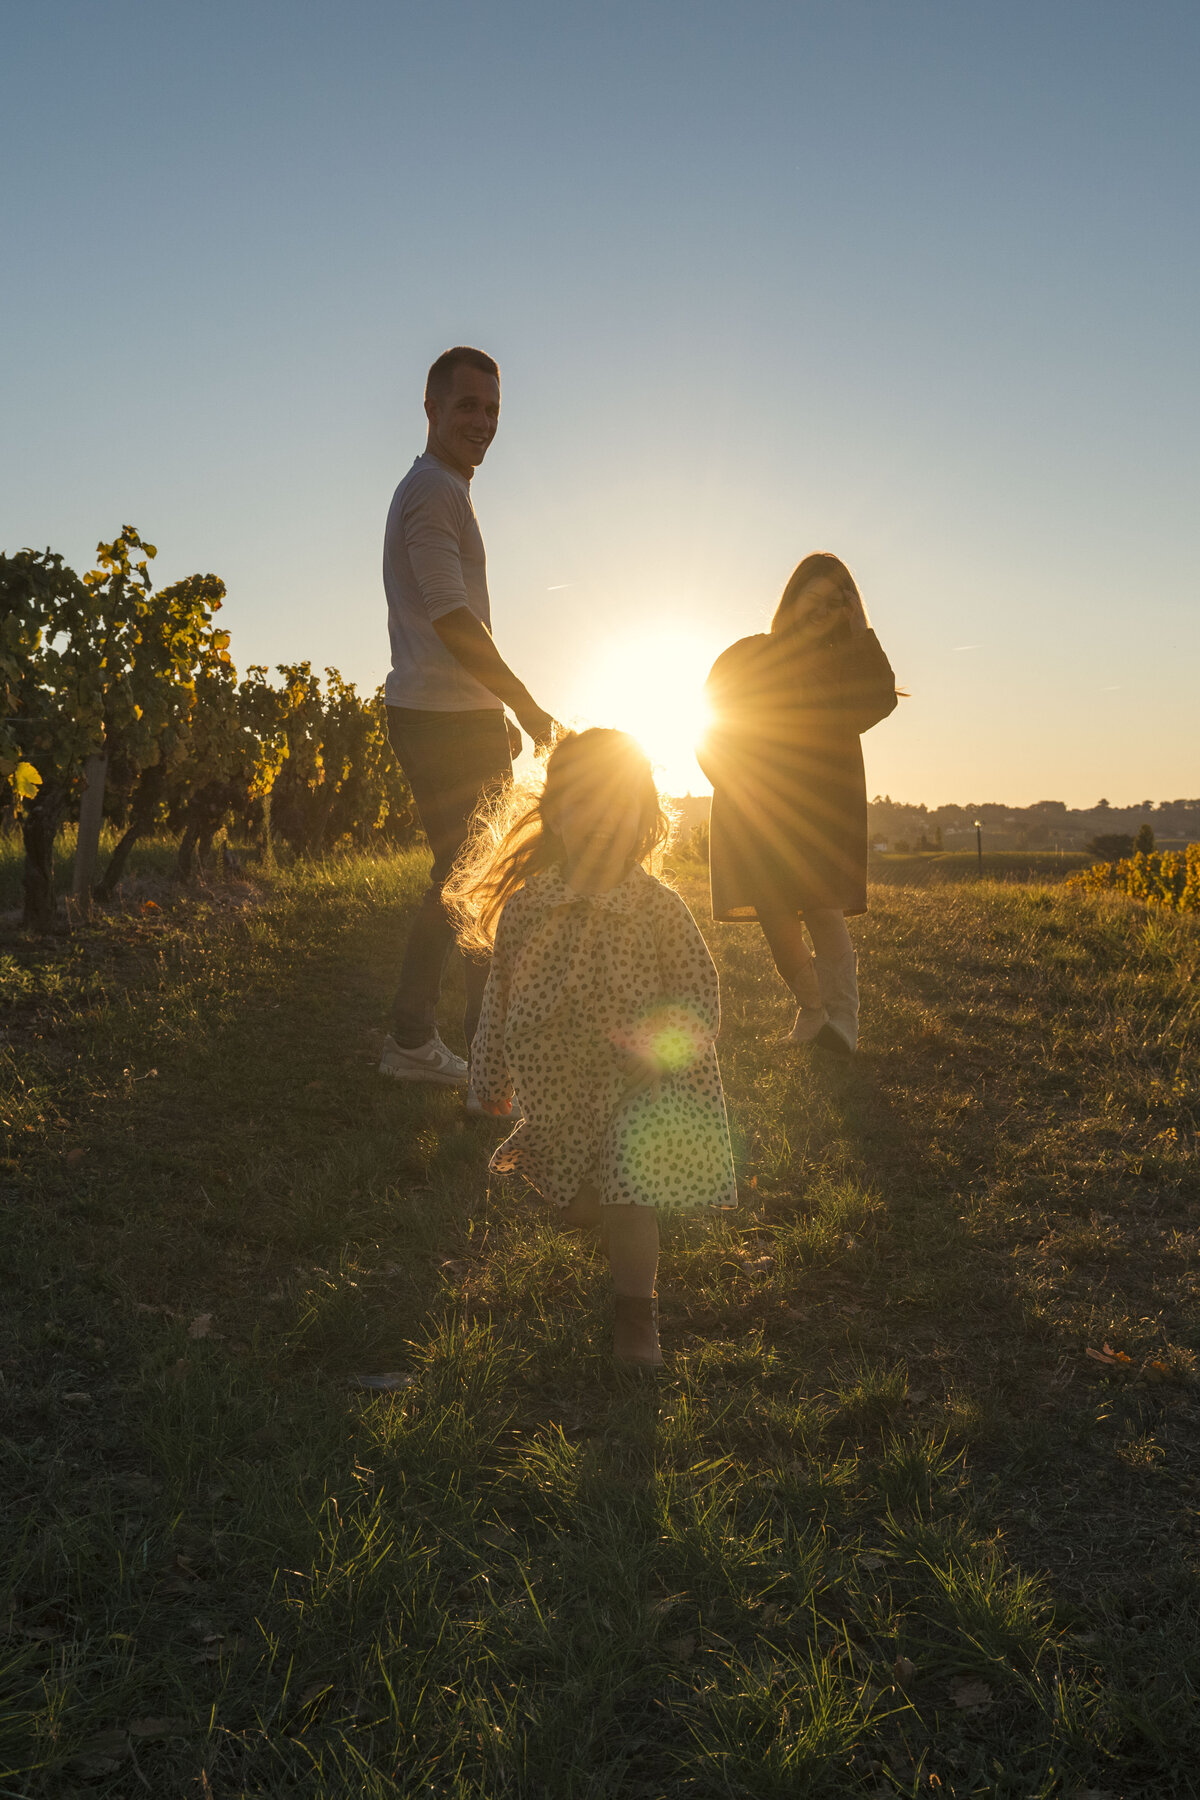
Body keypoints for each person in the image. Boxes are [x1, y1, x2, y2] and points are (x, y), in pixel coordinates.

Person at [445, 730, 737, 1367]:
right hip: (561, 1079)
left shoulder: (657, 908)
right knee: (582, 1191)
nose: (604, 822)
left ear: (644, 819)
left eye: (620, 805)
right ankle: (588, 1205)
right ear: (556, 815)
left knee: (630, 1193)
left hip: (641, 1081)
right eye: (586, 805)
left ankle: (637, 1317)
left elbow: (697, 989)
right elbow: (499, 994)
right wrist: (489, 1078)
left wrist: (662, 1050)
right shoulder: (530, 908)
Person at [379, 345, 558, 1093]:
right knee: (479, 882)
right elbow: (452, 618)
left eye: (492, 409)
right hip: (443, 716)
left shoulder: (443, 487)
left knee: (468, 878)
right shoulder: (433, 491)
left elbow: (449, 617)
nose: (482, 421)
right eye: (467, 406)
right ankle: (449, 1046)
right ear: (430, 409)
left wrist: (496, 707)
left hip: (452, 711)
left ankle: (455, 1043)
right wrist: (521, 699)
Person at [697, 553, 899, 1054]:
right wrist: (730, 785)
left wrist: (859, 631)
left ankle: (843, 1020)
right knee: (775, 914)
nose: (822, 609)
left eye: (836, 603)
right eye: (815, 596)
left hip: (820, 807)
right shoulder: (747, 654)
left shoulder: (842, 664)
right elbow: (709, 723)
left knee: (823, 907)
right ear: (793, 596)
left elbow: (880, 698)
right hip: (755, 807)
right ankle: (813, 1012)